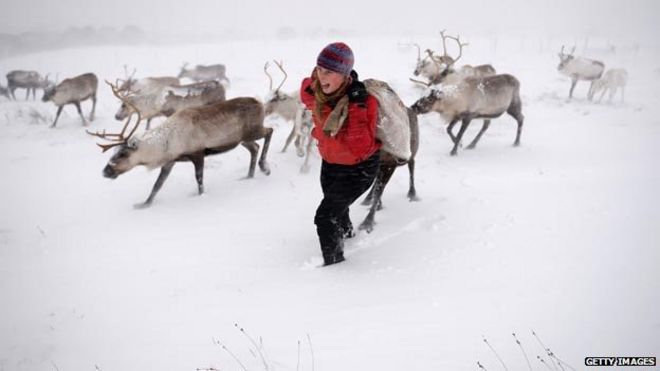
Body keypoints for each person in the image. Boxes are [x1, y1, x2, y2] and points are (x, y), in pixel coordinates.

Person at [299, 42, 381, 266]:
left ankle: (335, 266)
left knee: (325, 216)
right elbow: (305, 89)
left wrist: (357, 106)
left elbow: (361, 147)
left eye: (329, 72)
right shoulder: (316, 93)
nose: (321, 76)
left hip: (360, 167)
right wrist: (317, 78)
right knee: (338, 209)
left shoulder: (364, 102)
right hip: (331, 163)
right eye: (319, 69)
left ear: (345, 76)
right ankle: (347, 236)